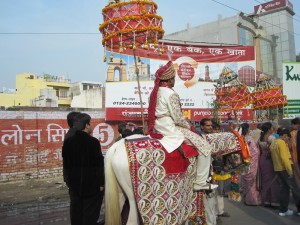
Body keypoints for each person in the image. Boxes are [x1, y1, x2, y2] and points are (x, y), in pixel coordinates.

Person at [147, 61, 217, 191]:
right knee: (205, 147)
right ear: (170, 79)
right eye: (173, 78)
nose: (174, 81)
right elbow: (178, 118)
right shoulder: (171, 93)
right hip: (170, 127)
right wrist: (190, 127)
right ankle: (200, 182)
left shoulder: (155, 92)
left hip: (158, 126)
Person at [62, 113, 105, 225]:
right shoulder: (93, 142)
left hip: (75, 188)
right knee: (90, 217)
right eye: (90, 124)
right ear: (86, 125)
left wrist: (69, 182)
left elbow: (66, 165)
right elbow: (99, 165)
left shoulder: (68, 142)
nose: (91, 126)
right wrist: (101, 184)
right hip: (92, 188)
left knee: (76, 216)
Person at [270, 129, 300, 216]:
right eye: (288, 138)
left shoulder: (273, 143)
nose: (288, 140)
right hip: (285, 169)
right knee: (295, 190)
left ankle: (283, 210)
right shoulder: (281, 143)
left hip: (278, 169)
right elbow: (284, 158)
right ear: (285, 136)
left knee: (284, 190)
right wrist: (290, 171)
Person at [257, 122, 280, 208]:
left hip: (262, 159)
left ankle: (266, 201)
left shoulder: (261, 138)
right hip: (269, 160)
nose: (273, 129)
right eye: (271, 128)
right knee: (273, 181)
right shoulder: (271, 137)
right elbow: (274, 149)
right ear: (269, 129)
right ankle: (274, 202)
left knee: (266, 181)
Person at [240, 123, 262, 206]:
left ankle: (246, 199)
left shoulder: (241, 138)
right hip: (251, 162)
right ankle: (252, 200)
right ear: (247, 129)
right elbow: (255, 151)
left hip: (244, 162)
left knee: (246, 180)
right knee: (252, 182)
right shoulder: (248, 138)